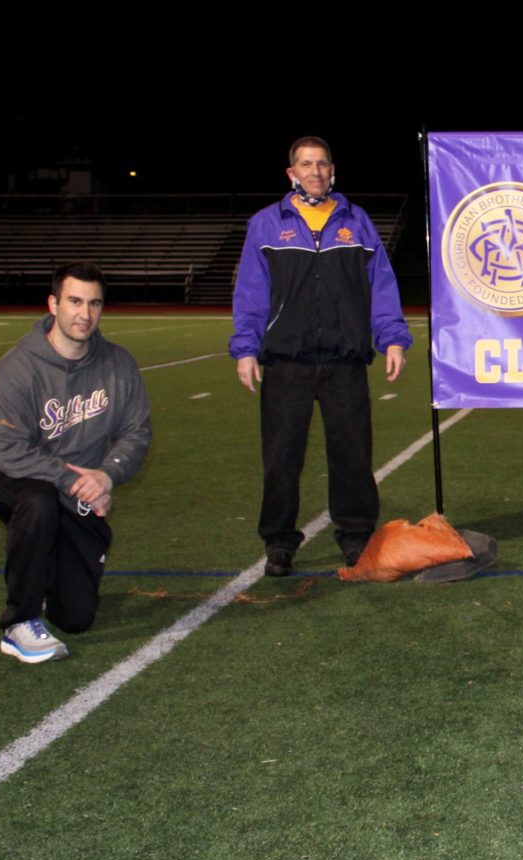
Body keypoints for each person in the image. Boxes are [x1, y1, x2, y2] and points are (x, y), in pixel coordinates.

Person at [230, 136, 413, 576]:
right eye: (306, 164)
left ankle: (356, 537)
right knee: (281, 458)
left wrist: (392, 337)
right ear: (291, 173)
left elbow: (381, 287)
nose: (315, 171)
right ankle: (279, 541)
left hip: (344, 360)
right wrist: (245, 348)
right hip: (286, 362)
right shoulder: (266, 225)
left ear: (333, 171)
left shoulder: (358, 223)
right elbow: (251, 293)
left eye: (322, 164)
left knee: (352, 455)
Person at [0, 263, 152, 663]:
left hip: (79, 490)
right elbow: (8, 449)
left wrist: (106, 477)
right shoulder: (18, 366)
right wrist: (77, 483)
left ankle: (46, 575)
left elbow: (136, 433)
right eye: (74, 301)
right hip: (17, 478)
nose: (84, 314)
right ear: (53, 303)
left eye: (94, 304)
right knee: (37, 502)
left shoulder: (118, 364)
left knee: (76, 618)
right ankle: (18, 622)